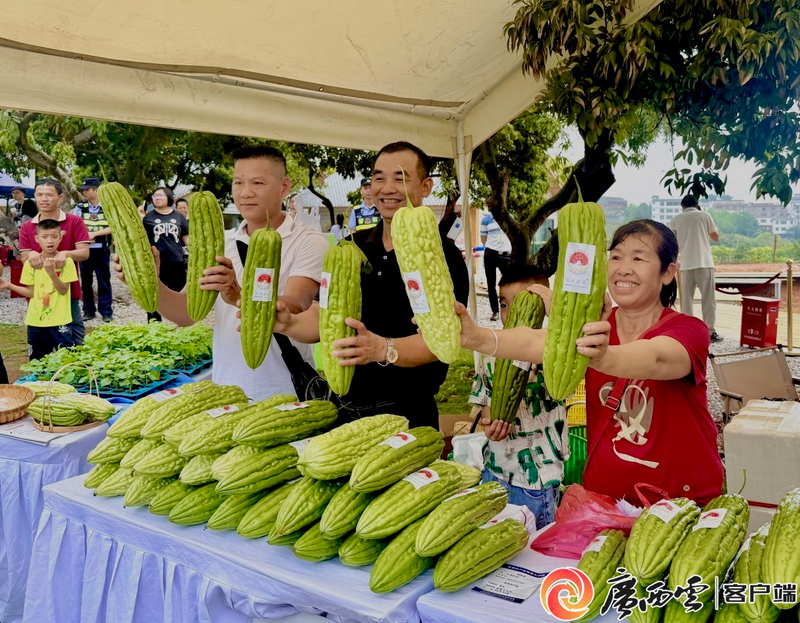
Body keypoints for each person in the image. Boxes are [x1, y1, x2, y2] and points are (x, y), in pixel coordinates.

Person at [457, 219, 723, 506]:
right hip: (605, 504)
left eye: (638, 258)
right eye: (616, 257)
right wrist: (478, 338)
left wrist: (602, 356)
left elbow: (655, 359)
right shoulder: (594, 326)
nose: (623, 267)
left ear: (668, 272)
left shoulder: (689, 330)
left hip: (678, 507)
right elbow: (535, 342)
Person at [266, 142, 470, 428]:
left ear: (426, 187)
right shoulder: (350, 247)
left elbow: (443, 341)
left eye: (400, 178)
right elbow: (329, 316)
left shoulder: (445, 255)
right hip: (345, 411)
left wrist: (382, 348)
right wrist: (288, 323)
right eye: (379, 178)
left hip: (408, 414)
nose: (388, 188)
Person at [112, 146, 328, 402]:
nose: (245, 193)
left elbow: (296, 304)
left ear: (284, 186)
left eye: (257, 182)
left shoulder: (309, 242)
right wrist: (150, 280)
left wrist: (238, 295)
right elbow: (187, 313)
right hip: (227, 391)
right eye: (238, 183)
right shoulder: (220, 243)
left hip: (286, 392)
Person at [468, 264, 568, 528]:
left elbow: (566, 387)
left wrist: (558, 317)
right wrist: (491, 422)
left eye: (523, 303)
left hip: (538, 479)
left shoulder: (553, 354)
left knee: (533, 545)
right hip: (496, 468)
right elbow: (484, 403)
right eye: (503, 305)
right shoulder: (491, 354)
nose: (510, 313)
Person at [19, 179, 90, 345]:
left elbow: (84, 253)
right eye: (39, 195)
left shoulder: (74, 221)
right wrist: (31, 256)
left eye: (49, 195)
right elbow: (24, 257)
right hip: (40, 295)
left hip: (67, 293)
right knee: (39, 346)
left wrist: (65, 253)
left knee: (74, 344)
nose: (44, 199)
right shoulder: (27, 226)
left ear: (61, 197)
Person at [0, 219, 78, 360]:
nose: (50, 241)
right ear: (37, 239)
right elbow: (31, 293)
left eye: (54, 236)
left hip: (60, 320)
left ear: (60, 237)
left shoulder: (67, 262)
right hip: (36, 321)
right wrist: (9, 285)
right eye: (45, 236)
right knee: (37, 363)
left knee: (67, 362)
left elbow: (63, 290)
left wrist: (51, 273)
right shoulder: (31, 264)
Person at [669, 195, 721, 342]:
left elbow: (671, 240)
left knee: (686, 301)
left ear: (682, 207)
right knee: (708, 300)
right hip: (704, 262)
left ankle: (688, 330)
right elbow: (716, 237)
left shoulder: (676, 219)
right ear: (697, 205)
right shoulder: (704, 215)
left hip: (686, 264)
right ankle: (710, 331)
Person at [142, 187, 189, 322]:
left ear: (168, 197)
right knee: (154, 293)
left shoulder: (179, 216)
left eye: (160, 195)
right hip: (156, 262)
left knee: (181, 294)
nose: (157, 198)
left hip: (177, 261)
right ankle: (154, 325)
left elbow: (186, 237)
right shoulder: (148, 218)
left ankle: (183, 323)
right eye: (155, 195)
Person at [72, 177, 113, 323]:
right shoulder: (80, 207)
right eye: (83, 189)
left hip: (101, 248)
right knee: (86, 281)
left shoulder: (108, 207)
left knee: (104, 280)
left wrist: (95, 234)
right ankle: (88, 311)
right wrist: (84, 236)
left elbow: (114, 226)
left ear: (96, 190)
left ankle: (106, 311)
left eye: (87, 189)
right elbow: (74, 225)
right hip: (84, 249)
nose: (84, 192)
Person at [480, 211, 512, 322]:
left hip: (505, 254)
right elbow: (483, 239)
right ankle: (495, 311)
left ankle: (509, 307)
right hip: (490, 254)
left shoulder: (509, 217)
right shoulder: (486, 220)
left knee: (509, 282)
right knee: (491, 283)